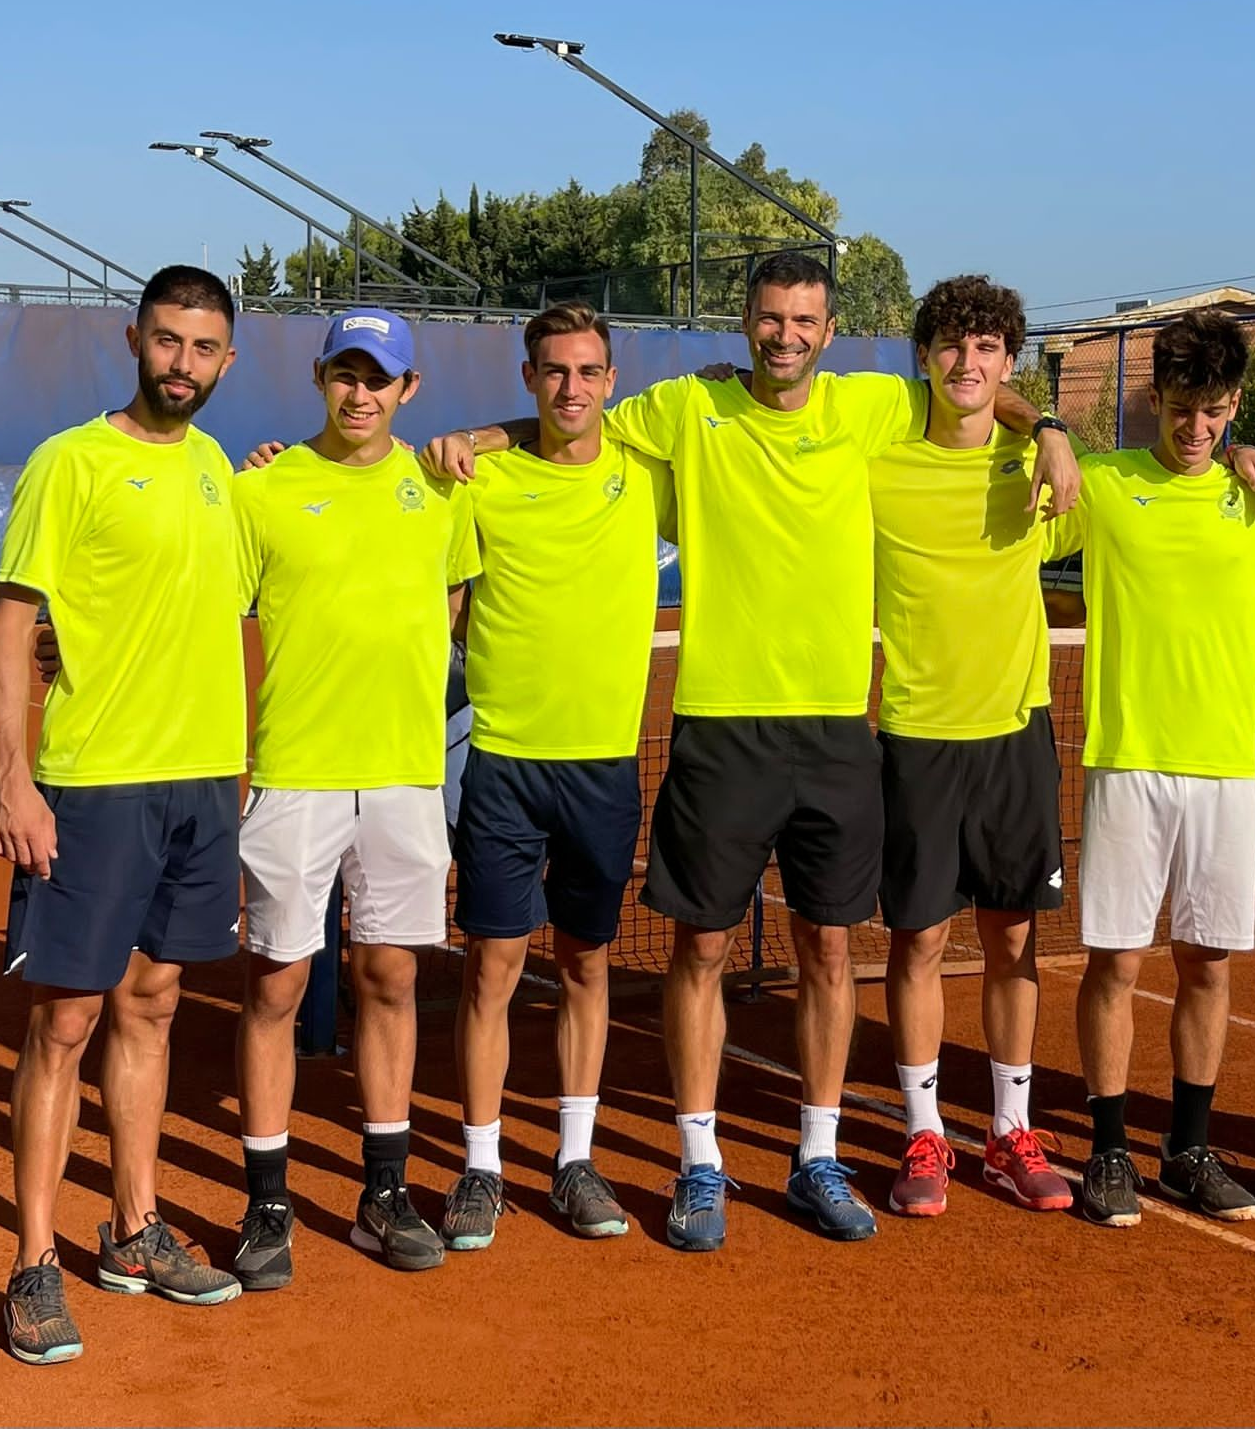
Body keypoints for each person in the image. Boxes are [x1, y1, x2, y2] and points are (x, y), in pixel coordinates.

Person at [427, 251, 1084, 1249]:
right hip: (719, 727)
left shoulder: (873, 407)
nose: (785, 334)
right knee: (699, 950)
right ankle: (700, 1162)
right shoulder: (689, 408)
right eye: (770, 317)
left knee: (828, 949)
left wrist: (1057, 432)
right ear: (746, 322)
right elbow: (574, 421)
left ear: (829, 331)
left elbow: (981, 385)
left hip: (833, 731)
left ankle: (816, 1153)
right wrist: (487, 432)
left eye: (804, 320)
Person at [0, 266, 248, 1364]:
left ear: (226, 362)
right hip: (93, 786)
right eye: (168, 342)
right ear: (133, 338)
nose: (182, 365)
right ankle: (34, 1262)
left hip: (201, 784)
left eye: (204, 350)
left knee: (153, 1004)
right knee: (66, 1023)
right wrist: (11, 777)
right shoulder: (70, 462)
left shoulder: (219, 470)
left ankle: (135, 1229)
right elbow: (11, 624)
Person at [225, 309, 478, 1286]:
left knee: (390, 980)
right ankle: (267, 1206)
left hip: (407, 777)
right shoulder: (266, 489)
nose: (360, 393)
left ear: (408, 391)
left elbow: (453, 610)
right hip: (295, 772)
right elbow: (208, 601)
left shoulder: (441, 488)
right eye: (345, 372)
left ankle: (383, 1194)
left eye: (380, 378)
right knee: (276, 987)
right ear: (320, 376)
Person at [1043, 308, 1255, 1229]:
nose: (1198, 430)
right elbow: (1020, 509)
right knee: (1115, 963)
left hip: (1226, 769)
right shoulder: (1104, 488)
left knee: (1208, 966)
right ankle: (1109, 1152)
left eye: (1218, 411)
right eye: (1184, 408)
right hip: (1127, 761)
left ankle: (1187, 1149)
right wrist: (1056, 438)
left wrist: (1248, 454)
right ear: (1156, 399)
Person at [438, 303, 672, 1251]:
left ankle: (574, 1159)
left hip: (603, 769)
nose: (572, 388)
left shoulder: (649, 473)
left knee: (584, 962)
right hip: (500, 764)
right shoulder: (479, 481)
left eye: (588, 371)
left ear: (611, 381)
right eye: (553, 371)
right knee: (492, 966)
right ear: (529, 377)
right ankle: (481, 1167)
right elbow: (446, 611)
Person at [869, 275, 1073, 1219]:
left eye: (987, 347)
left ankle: (1007, 1133)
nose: (967, 363)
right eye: (952, 344)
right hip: (917, 734)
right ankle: (923, 1132)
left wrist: (1055, 428)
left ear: (1008, 362)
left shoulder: (1040, 469)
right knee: (918, 941)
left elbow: (1171, 467)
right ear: (924, 357)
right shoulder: (880, 459)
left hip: (1015, 734)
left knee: (1014, 939)